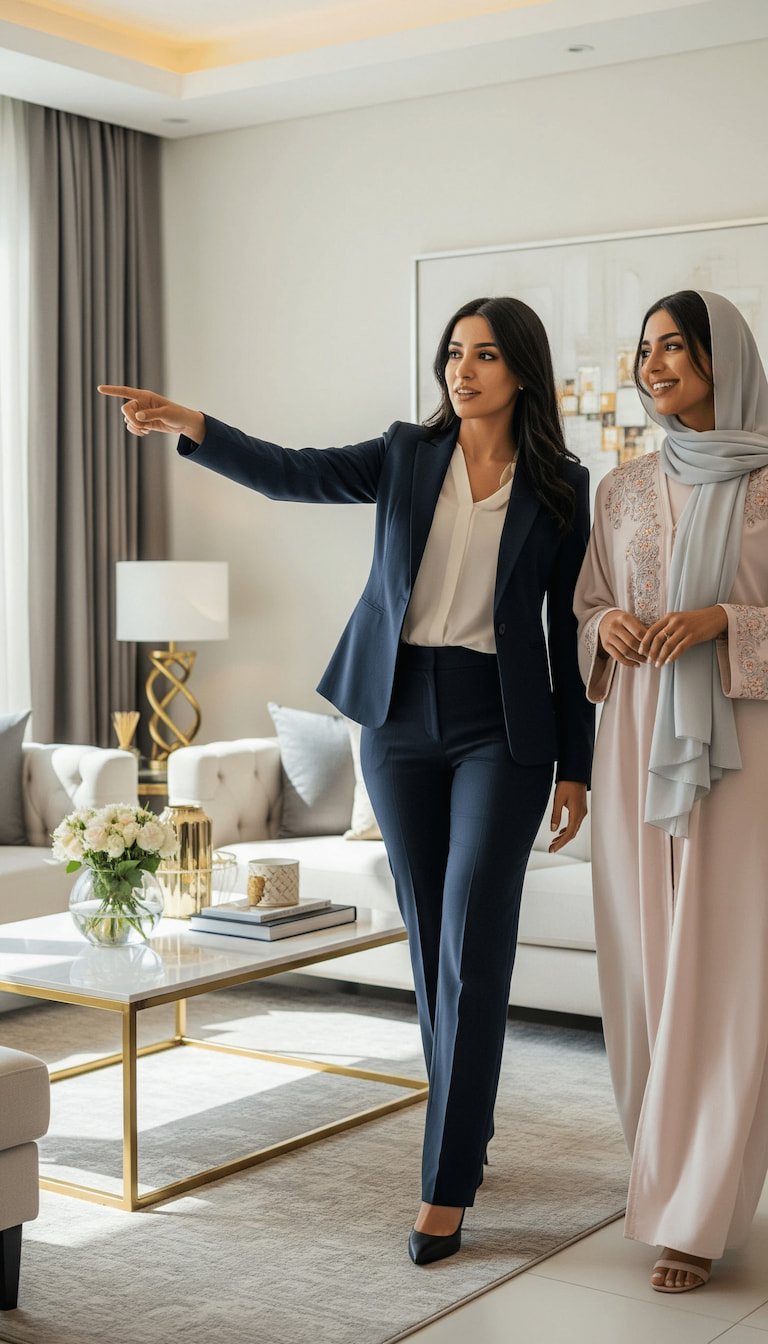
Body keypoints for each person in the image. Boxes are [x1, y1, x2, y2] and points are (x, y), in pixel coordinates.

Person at [100, 294, 593, 1265]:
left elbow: (569, 632)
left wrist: (577, 764)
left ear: (522, 371)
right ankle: (468, 1134)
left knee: (473, 944)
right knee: (428, 942)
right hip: (398, 717)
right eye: (455, 352)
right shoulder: (410, 454)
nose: (464, 369)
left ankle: (445, 1188)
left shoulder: (561, 485)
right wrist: (195, 426)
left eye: (486, 355)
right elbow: (296, 475)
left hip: (504, 723)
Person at [574, 290, 768, 1294]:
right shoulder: (623, 488)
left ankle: (698, 1214)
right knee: (647, 962)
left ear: (719, 357)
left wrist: (720, 622)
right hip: (636, 736)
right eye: (644, 347)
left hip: (743, 746)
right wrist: (603, 630)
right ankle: (659, 1172)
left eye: (674, 346)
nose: (653, 363)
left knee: (724, 970)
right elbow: (595, 600)